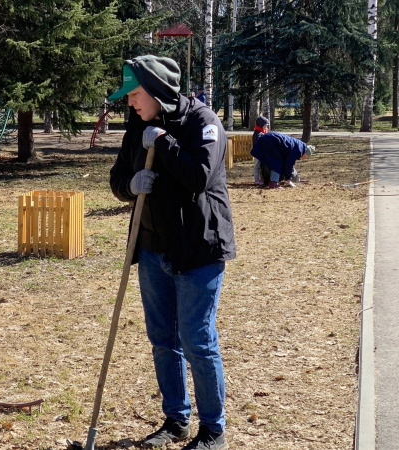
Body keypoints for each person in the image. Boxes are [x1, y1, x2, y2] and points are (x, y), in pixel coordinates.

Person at [107, 55, 236, 450]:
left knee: (197, 340)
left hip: (197, 250)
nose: (129, 102)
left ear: (157, 91)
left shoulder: (204, 122)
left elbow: (198, 176)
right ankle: (176, 420)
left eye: (134, 94)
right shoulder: (137, 126)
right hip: (152, 251)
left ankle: (213, 430)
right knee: (163, 339)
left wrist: (163, 141)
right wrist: (132, 184)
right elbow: (116, 179)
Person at [250, 131, 314, 189]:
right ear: (306, 153)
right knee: (277, 162)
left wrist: (297, 180)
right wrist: (288, 180)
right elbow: (289, 164)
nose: (304, 159)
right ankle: (273, 183)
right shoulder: (297, 149)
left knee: (275, 162)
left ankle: (267, 180)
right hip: (271, 141)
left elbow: (289, 165)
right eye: (306, 157)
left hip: (268, 138)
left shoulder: (299, 146)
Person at [252, 116, 270, 185]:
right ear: (261, 125)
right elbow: (258, 144)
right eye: (265, 125)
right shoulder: (257, 134)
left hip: (262, 153)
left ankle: (262, 178)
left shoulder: (262, 132)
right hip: (258, 153)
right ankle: (257, 179)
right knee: (257, 166)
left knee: (261, 166)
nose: (266, 127)